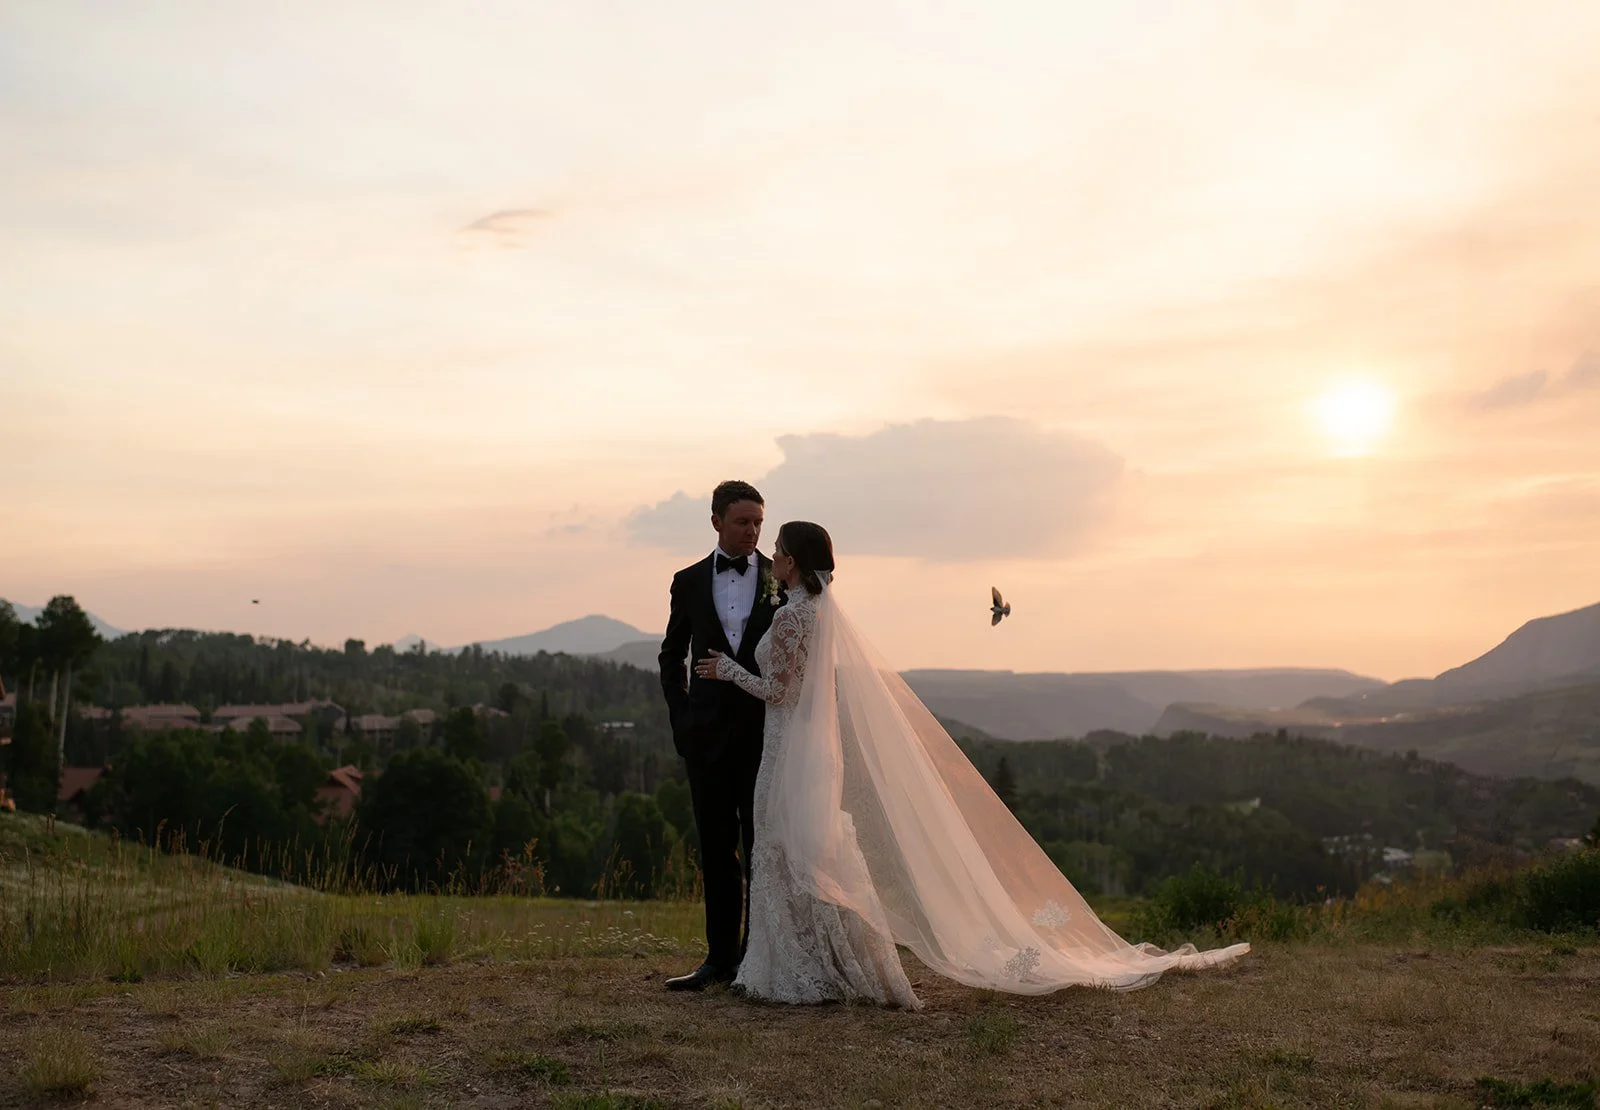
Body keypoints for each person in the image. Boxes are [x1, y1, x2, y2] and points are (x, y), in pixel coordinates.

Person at [696, 521, 1249, 1006]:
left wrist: (727, 672)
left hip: (788, 746)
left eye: (779, 547)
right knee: (796, 849)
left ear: (793, 560)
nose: (773, 554)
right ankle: (810, 967)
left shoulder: (795, 618)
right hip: (803, 746)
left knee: (782, 847)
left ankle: (795, 971)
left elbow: (781, 691)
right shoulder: (815, 611)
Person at [657, 480, 782, 990]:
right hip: (705, 740)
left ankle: (757, 962)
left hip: (765, 737)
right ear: (716, 523)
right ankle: (718, 960)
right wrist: (682, 722)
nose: (752, 530)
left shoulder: (781, 580)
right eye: (742, 521)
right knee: (715, 849)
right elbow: (671, 657)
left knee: (762, 850)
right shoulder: (686, 581)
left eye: (758, 521)